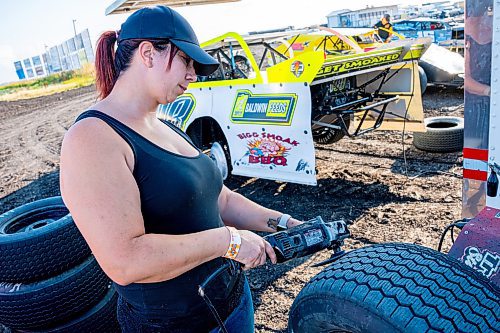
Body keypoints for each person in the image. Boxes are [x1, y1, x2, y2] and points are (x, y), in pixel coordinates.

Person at [59, 5, 302, 332]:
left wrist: (284, 223)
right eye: (186, 61)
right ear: (148, 54)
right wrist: (228, 242)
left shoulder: (167, 126)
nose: (193, 74)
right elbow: (126, 261)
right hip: (176, 325)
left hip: (232, 303)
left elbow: (222, 200)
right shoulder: (92, 139)